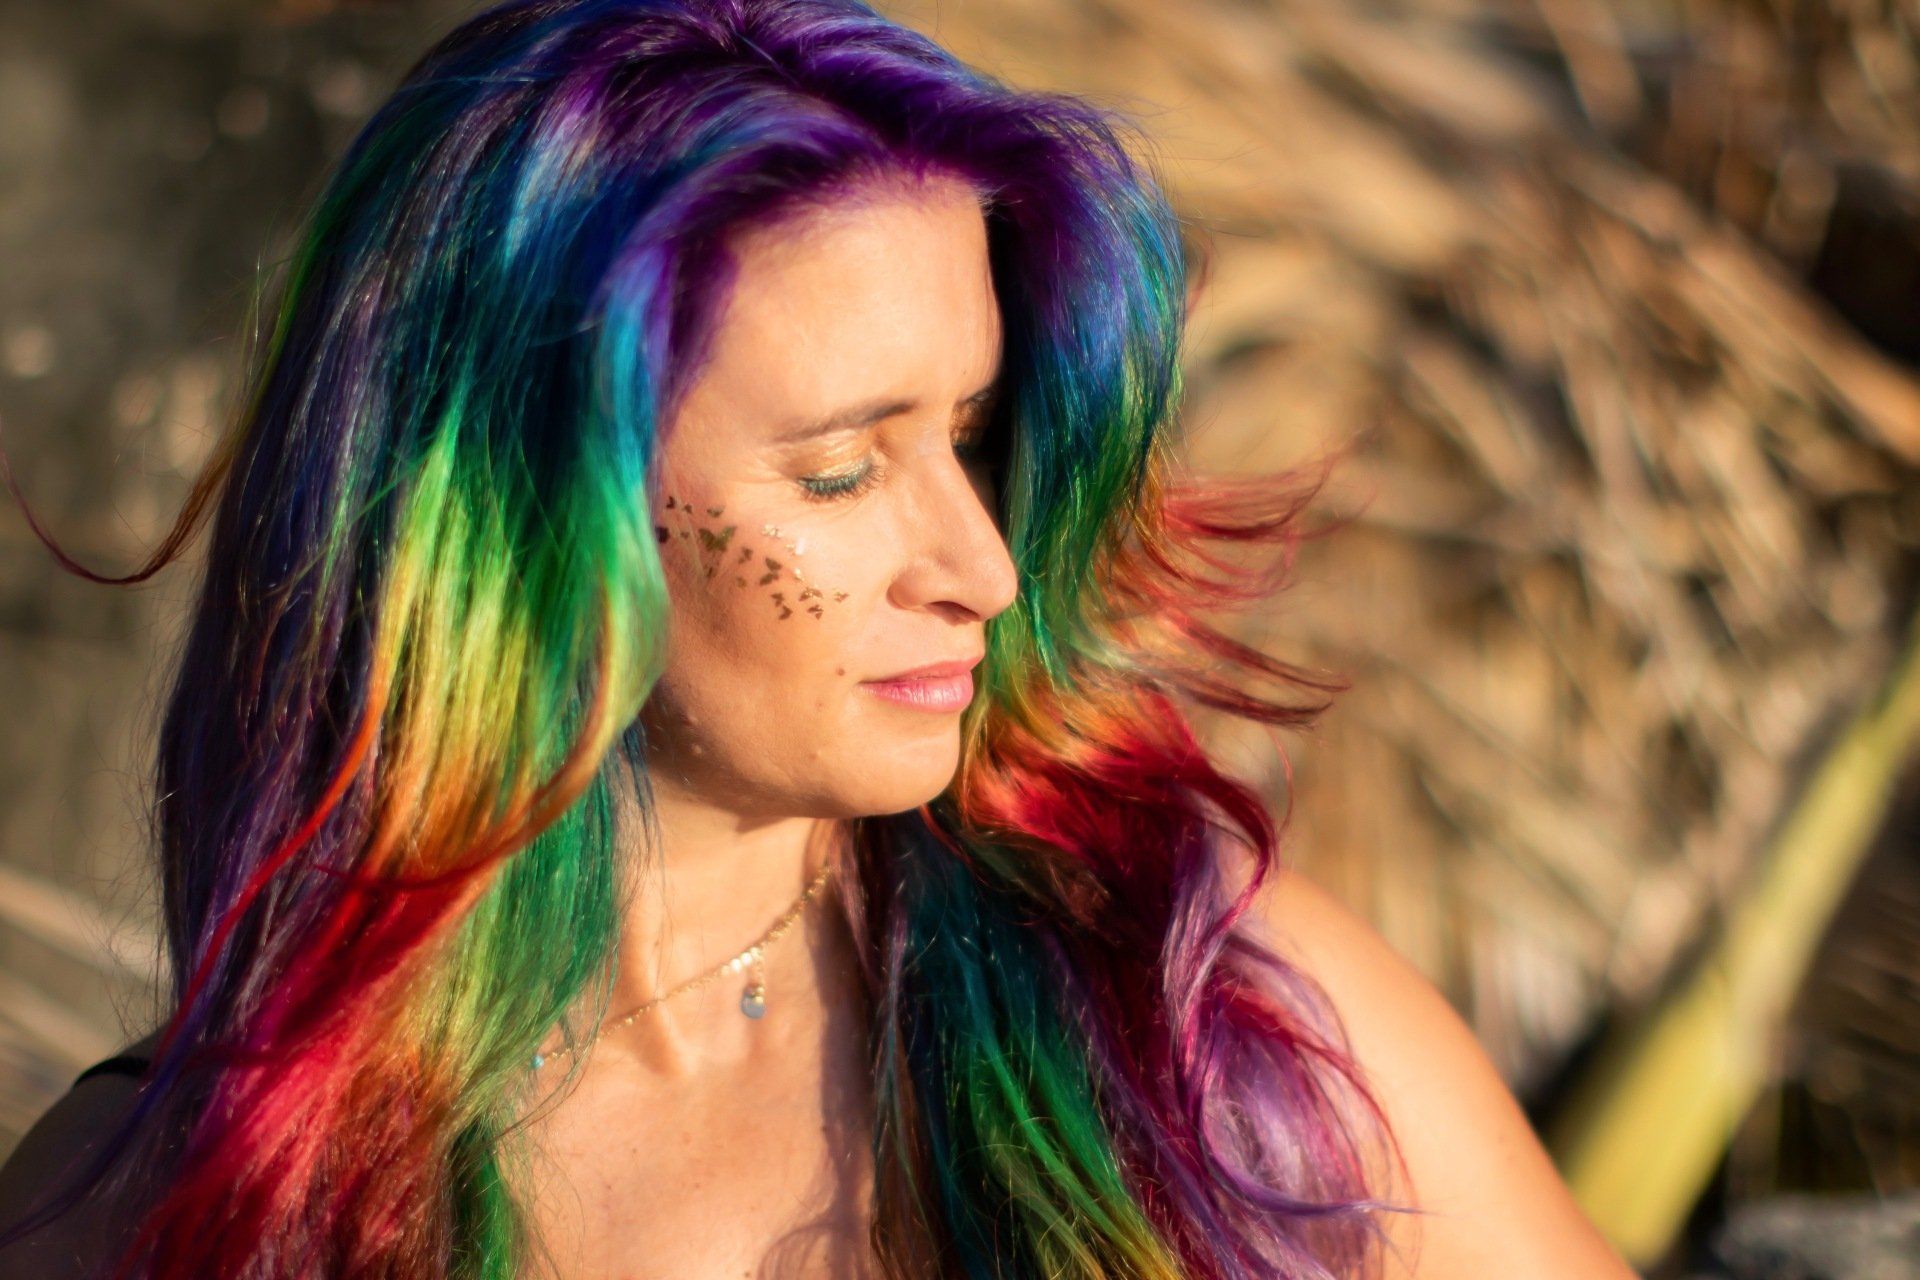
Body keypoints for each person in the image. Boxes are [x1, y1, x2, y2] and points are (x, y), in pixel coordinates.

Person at [0, 1, 1641, 1276]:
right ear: (525, 524)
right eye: (845, 468)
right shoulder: (166, 1198)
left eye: (977, 435)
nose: (985, 567)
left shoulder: (1200, 1008)